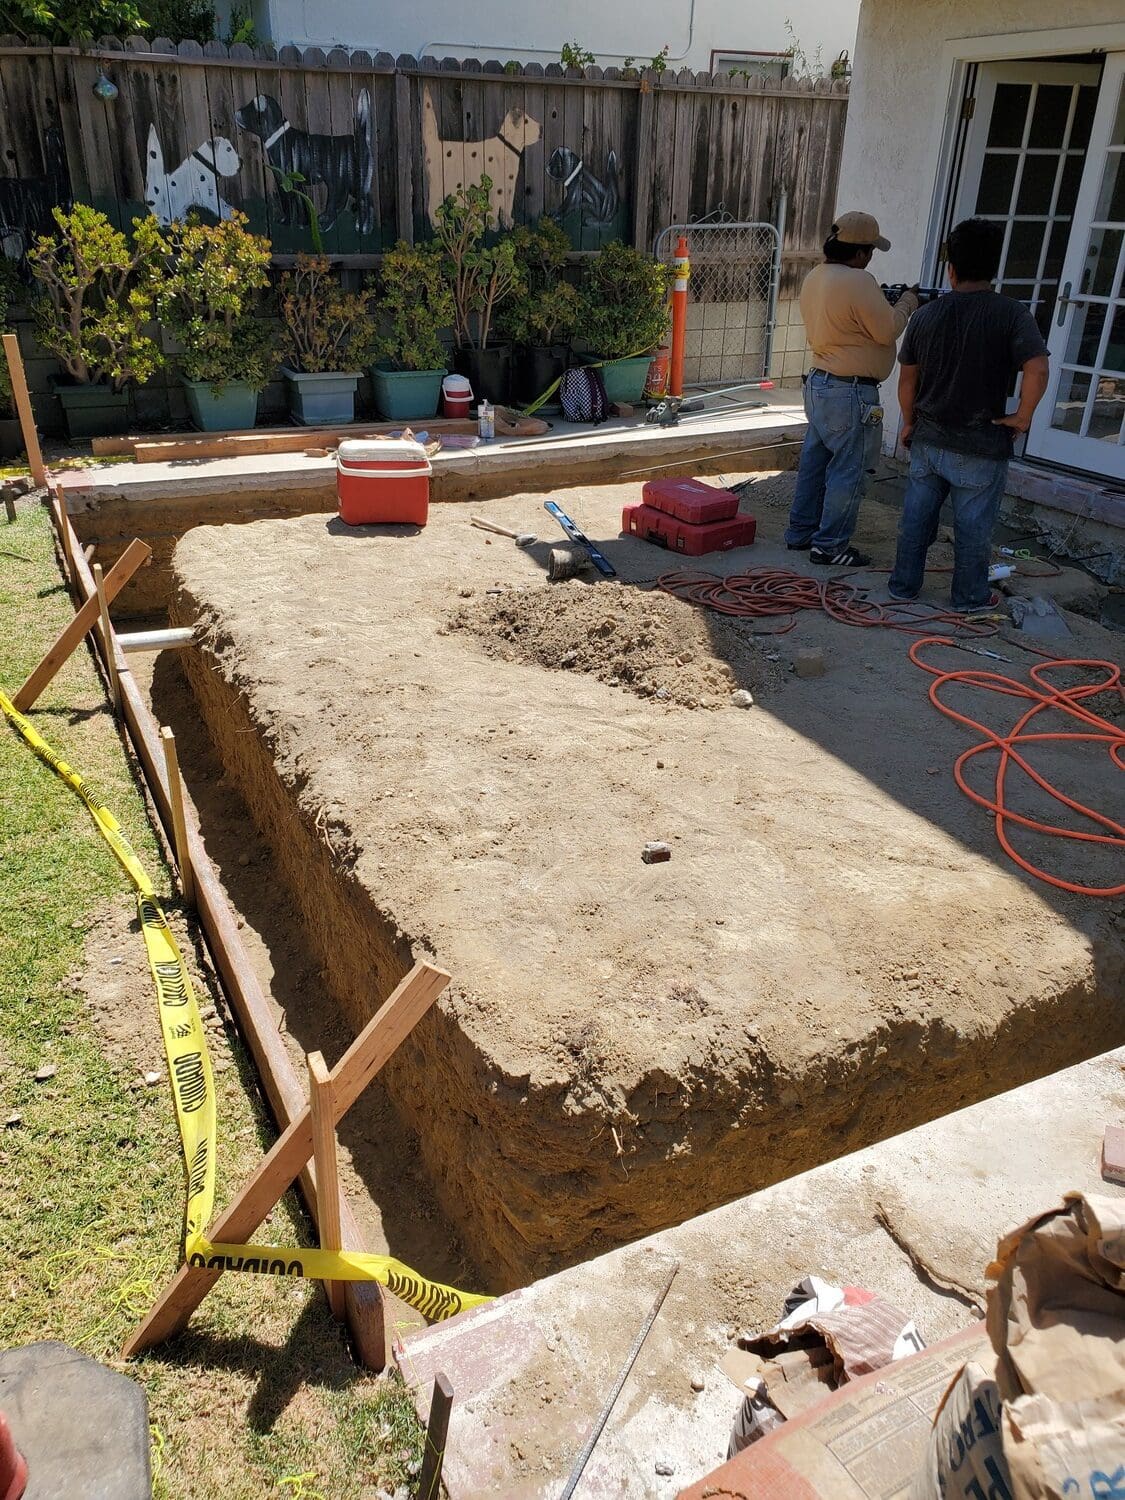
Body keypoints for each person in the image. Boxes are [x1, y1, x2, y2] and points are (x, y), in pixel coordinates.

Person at [889, 217, 1050, 614]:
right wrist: (1023, 417)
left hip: (928, 439)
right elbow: (1038, 368)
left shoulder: (925, 316)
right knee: (973, 529)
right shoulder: (1012, 314)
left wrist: (908, 422)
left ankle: (903, 587)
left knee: (915, 520)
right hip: (980, 444)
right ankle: (968, 598)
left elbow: (907, 379)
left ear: (951, 269)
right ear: (994, 268)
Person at [785, 211, 919, 568]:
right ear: (860, 252)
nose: (871, 257)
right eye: (871, 250)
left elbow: (853, 322)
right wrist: (907, 302)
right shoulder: (860, 281)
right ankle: (829, 546)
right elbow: (886, 330)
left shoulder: (816, 275)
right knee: (850, 469)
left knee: (816, 463)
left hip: (820, 383)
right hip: (850, 391)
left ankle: (801, 532)